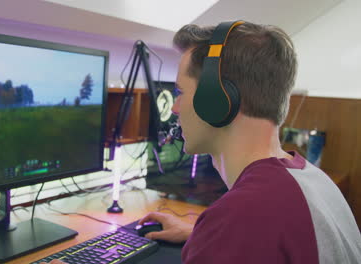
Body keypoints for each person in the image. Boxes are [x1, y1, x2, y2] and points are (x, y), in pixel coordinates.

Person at [49, 21, 361, 264]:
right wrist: (203, 234)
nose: (174, 107)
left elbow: (250, 228)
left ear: (218, 101)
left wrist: (221, 235)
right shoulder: (311, 178)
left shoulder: (244, 216)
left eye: (181, 92)